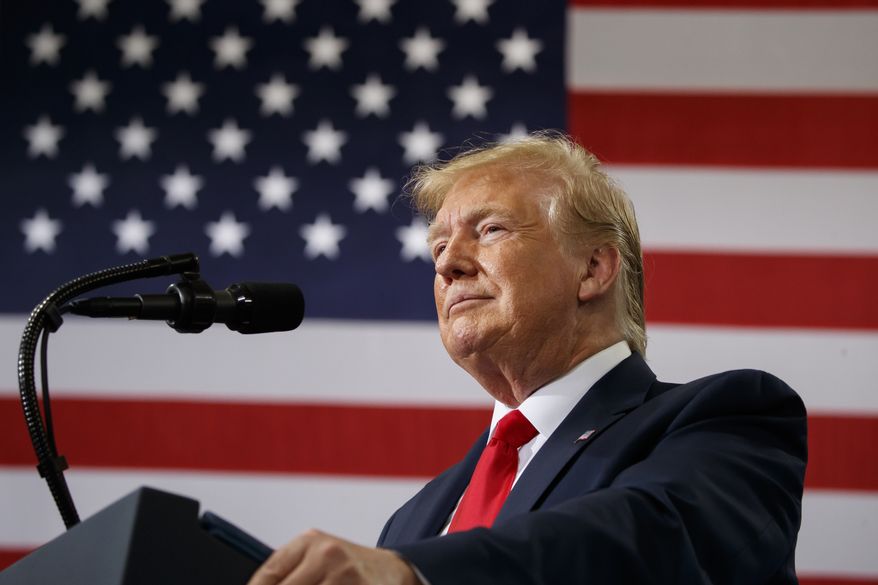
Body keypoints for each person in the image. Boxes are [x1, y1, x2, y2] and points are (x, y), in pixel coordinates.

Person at [247, 134, 807, 585]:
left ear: (592, 269)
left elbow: (648, 542)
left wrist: (420, 574)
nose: (448, 266)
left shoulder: (726, 417)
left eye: (489, 230)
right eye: (438, 247)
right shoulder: (413, 521)